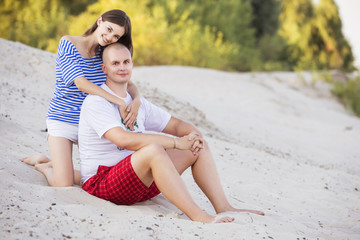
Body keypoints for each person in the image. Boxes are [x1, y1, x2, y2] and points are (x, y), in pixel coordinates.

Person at [79, 42, 264, 223]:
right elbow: (123, 140)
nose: (122, 67)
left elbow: (176, 125)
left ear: (132, 64)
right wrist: (175, 143)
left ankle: (223, 206)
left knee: (196, 146)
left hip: (139, 183)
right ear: (104, 68)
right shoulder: (97, 101)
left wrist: (194, 135)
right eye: (115, 63)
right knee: (153, 150)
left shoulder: (136, 103)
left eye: (126, 62)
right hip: (104, 183)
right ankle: (199, 216)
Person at [21, 9, 141, 187]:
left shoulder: (106, 54)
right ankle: (44, 165)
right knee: (63, 183)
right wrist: (118, 101)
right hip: (63, 119)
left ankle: (60, 166)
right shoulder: (68, 43)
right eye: (108, 29)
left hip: (92, 124)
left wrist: (137, 100)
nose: (109, 37)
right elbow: (81, 83)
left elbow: (128, 83)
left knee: (109, 175)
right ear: (99, 21)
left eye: (116, 36)